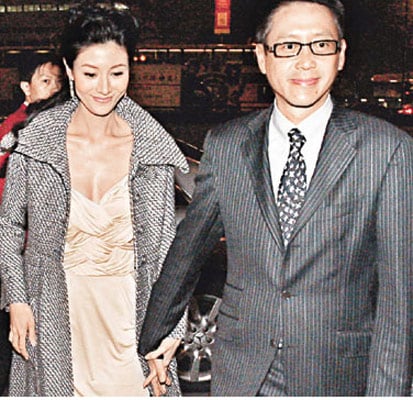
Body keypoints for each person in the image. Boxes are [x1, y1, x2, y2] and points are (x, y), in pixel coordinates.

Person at [138, 0, 413, 396]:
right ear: (262, 57)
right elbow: (189, 248)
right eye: (288, 46)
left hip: (336, 374)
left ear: (341, 55)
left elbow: (398, 298)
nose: (305, 62)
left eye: (321, 45)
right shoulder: (228, 145)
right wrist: (158, 333)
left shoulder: (386, 150)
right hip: (241, 371)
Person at [0, 4, 188, 397]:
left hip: (131, 314)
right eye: (90, 73)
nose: (104, 87)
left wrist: (174, 325)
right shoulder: (36, 142)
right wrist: (17, 299)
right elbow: (9, 225)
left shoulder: (152, 147)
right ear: (69, 71)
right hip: (53, 309)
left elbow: (169, 250)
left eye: (117, 73)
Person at [0, 53, 63, 395]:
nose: (53, 87)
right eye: (45, 81)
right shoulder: (16, 130)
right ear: (26, 87)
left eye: (57, 81)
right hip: (20, 252)